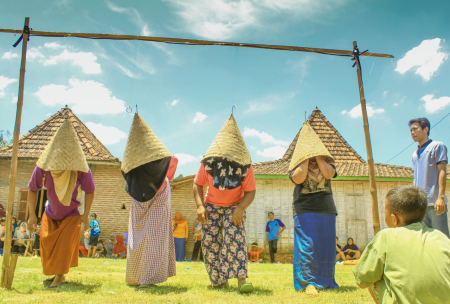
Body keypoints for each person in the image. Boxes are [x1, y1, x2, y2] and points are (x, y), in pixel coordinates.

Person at [26, 119, 95, 288]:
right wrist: (32, 215)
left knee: (64, 245)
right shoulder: (43, 166)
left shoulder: (82, 169)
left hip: (72, 213)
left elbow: (90, 190)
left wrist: (85, 215)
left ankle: (59, 277)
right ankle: (56, 274)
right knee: (47, 244)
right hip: (50, 212)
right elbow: (33, 188)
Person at [353, 185, 450, 304]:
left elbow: (361, 282)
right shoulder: (440, 237)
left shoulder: (386, 236)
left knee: (371, 270)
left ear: (394, 219)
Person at [193, 114, 256, 293]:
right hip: (210, 206)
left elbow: (250, 191)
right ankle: (219, 281)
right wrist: (200, 206)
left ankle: (241, 280)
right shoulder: (207, 164)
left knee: (235, 239)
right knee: (210, 242)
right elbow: (197, 184)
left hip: (235, 206)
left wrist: (241, 208)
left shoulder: (245, 167)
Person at [121, 113, 178, 290]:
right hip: (146, 193)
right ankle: (139, 277)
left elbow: (125, 173)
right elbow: (172, 166)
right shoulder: (167, 158)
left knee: (149, 235)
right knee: (144, 235)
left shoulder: (135, 160)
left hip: (153, 193)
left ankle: (145, 278)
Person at [288, 121, 339, 296]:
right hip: (304, 209)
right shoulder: (296, 166)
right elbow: (299, 179)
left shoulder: (328, 164)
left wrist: (317, 156)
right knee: (307, 245)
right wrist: (304, 156)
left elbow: (328, 174)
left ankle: (326, 281)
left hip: (326, 209)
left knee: (325, 246)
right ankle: (307, 282)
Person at [409, 118, 448, 237]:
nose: (412, 132)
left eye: (415, 129)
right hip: (421, 205)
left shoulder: (437, 146)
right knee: (426, 239)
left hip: (435, 203)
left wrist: (440, 197)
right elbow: (415, 178)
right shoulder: (414, 154)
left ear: (426, 129)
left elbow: (442, 171)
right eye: (410, 130)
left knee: (441, 239)